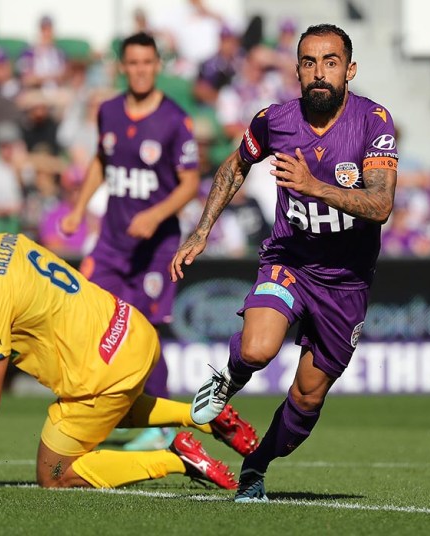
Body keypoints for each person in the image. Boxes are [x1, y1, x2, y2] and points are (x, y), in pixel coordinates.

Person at [170, 24, 399, 502]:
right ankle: (230, 376)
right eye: (310, 63)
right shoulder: (274, 120)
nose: (320, 73)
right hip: (289, 262)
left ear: (349, 70)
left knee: (307, 399)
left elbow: (380, 206)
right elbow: (236, 165)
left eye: (330, 62)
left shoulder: (374, 122)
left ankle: (256, 464)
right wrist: (202, 228)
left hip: (346, 282)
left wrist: (314, 186)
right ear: (296, 70)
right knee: (257, 349)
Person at [0, 195, 260, 491]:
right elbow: (26, 305)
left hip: (104, 371)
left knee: (54, 474)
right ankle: (201, 417)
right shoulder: (3, 242)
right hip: (133, 332)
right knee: (107, 408)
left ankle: (175, 459)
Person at [59, 32, 219, 452]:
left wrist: (154, 214)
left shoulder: (174, 120)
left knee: (146, 332)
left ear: (158, 65)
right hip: (112, 243)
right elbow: (101, 159)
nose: (141, 69)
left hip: (156, 247)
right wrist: (78, 207)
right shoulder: (109, 111)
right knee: (88, 318)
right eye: (133, 62)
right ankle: (97, 411)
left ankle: (162, 425)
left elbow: (189, 183)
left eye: (148, 62)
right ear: (122, 67)